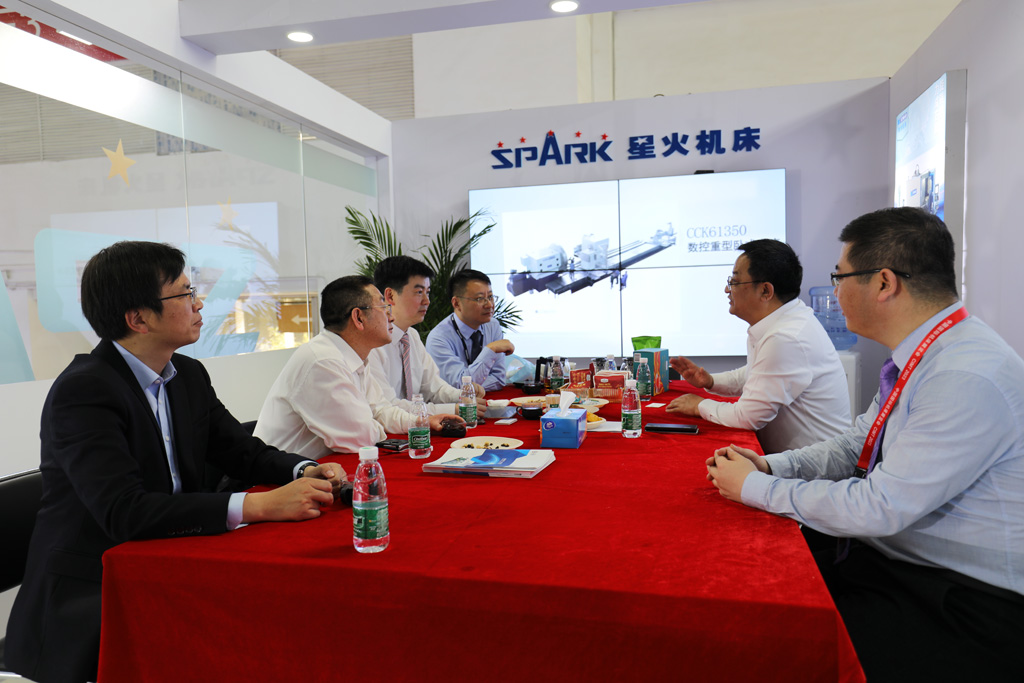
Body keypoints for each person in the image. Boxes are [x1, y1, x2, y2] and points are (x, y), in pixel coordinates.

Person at [706, 208, 1024, 681]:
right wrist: (773, 467)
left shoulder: (962, 374)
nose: (833, 292)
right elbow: (858, 443)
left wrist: (754, 487)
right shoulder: (927, 352)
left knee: (767, 640)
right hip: (894, 557)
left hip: (961, 600)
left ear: (884, 283)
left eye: (840, 277)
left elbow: (880, 507)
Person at [4, 241, 344, 683]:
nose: (199, 303)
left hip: (168, 567)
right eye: (185, 294)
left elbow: (242, 451)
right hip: (95, 598)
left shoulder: (187, 375)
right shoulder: (84, 391)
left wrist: (304, 470)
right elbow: (125, 511)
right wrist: (260, 505)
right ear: (138, 318)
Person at [666, 239, 850, 453]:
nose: (727, 289)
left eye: (734, 281)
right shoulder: (784, 320)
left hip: (816, 468)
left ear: (765, 291)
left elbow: (747, 417)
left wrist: (699, 405)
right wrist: (711, 381)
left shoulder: (785, 338)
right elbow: (758, 373)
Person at [255, 275, 463, 457]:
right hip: (276, 481)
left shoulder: (355, 355)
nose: (391, 316)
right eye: (384, 308)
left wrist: (421, 422)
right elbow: (361, 437)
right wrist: (375, 422)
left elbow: (381, 409)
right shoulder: (323, 362)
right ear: (358, 317)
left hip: (318, 470)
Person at [368, 255, 486, 417]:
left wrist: (463, 395)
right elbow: (389, 406)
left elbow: (433, 387)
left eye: (427, 292)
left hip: (417, 425)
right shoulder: (372, 344)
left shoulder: (412, 336)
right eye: (419, 292)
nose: (427, 301)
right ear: (390, 296)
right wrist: (453, 409)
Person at [425, 269, 512, 391]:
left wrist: (471, 386)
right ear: (456, 303)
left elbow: (499, 378)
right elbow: (459, 385)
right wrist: (490, 350)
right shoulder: (438, 338)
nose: (489, 305)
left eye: (490, 297)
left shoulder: (493, 326)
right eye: (480, 299)